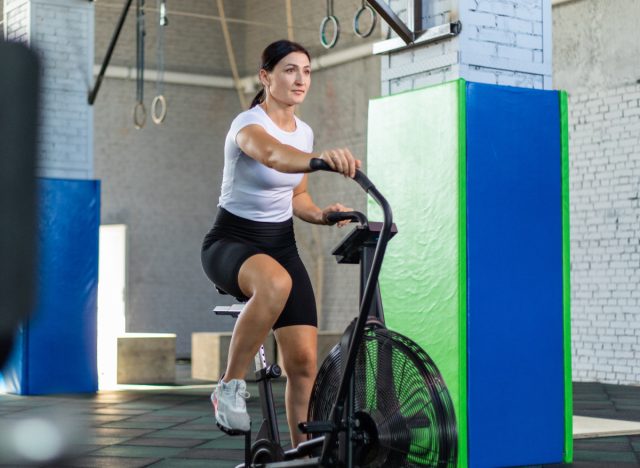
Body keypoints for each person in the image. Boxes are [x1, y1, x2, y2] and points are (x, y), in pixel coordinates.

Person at [200, 39, 361, 447]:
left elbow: (296, 197)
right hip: (231, 242)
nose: (300, 79)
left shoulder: (303, 132)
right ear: (265, 77)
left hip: (281, 244)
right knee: (275, 284)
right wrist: (322, 160)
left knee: (304, 363)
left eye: (306, 71)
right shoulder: (247, 124)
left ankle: (302, 454)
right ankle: (229, 386)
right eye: (289, 70)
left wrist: (324, 214)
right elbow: (272, 155)